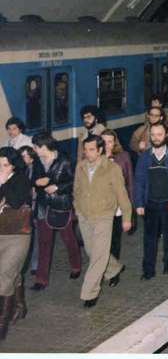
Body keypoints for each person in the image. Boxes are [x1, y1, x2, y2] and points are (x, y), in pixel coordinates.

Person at [73, 136, 132, 308]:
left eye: (91, 149)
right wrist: (78, 209)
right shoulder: (80, 166)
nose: (87, 153)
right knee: (93, 251)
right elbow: (76, 190)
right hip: (85, 216)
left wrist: (127, 217)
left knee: (98, 256)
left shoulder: (112, 168)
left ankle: (89, 292)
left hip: (104, 216)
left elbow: (122, 194)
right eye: (86, 149)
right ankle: (114, 269)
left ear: (100, 150)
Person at [133, 123, 168, 280]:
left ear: (166, 136)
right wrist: (139, 203)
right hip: (150, 204)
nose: (156, 138)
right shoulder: (145, 157)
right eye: (153, 135)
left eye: (159, 134)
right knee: (149, 239)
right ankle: (148, 270)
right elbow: (139, 181)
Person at [30, 133, 81, 290]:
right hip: (42, 206)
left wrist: (57, 187)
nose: (34, 149)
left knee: (68, 239)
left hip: (60, 205)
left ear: (44, 147)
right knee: (44, 242)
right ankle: (41, 279)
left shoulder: (64, 161)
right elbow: (34, 179)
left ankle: (76, 266)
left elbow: (75, 181)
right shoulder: (37, 161)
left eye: (36, 147)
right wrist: (37, 182)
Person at [0, 147, 32, 340]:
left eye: (5, 165)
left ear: (13, 165)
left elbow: (17, 200)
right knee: (13, 273)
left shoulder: (21, 180)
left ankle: (2, 324)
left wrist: (3, 182)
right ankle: (20, 306)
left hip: (17, 236)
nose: (1, 168)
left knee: (3, 275)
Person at [100, 130, 133, 260]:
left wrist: (129, 212)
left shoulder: (123, 157)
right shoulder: (92, 157)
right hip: (98, 205)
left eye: (110, 142)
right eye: (104, 142)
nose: (107, 145)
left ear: (115, 143)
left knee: (114, 238)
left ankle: (114, 271)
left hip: (117, 206)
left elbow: (130, 182)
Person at [18, 146, 43, 277]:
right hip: (24, 207)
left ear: (31, 157)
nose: (22, 159)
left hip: (36, 207)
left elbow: (39, 187)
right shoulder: (21, 169)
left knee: (36, 237)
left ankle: (35, 264)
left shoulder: (38, 168)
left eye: (24, 156)